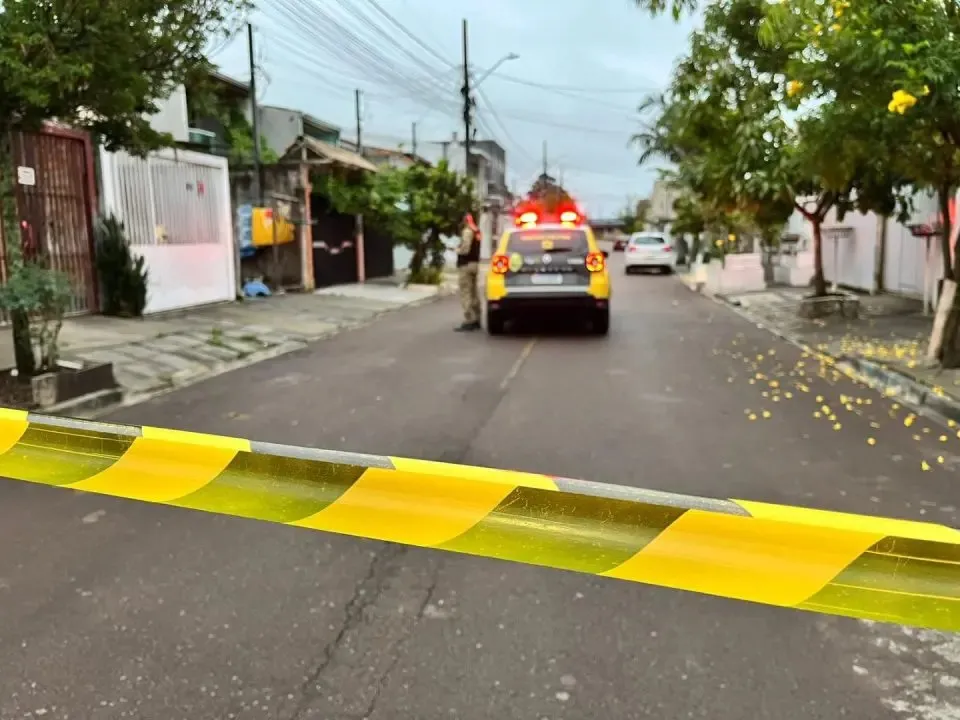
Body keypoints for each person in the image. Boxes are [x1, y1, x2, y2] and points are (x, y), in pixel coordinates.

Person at [455, 212, 482, 332]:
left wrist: (456, 250)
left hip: (466, 265)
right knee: (474, 293)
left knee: (466, 292)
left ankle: (469, 320)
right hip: (475, 264)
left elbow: (465, 249)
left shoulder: (467, 231)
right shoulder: (477, 231)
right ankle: (477, 318)